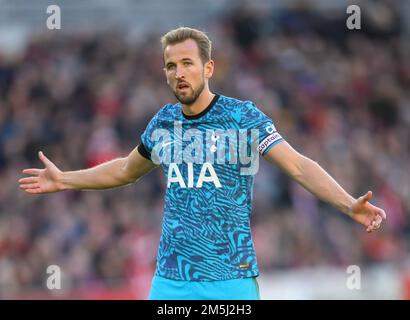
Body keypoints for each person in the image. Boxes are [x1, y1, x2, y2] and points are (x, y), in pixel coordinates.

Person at [19, 27, 387, 300]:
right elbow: (125, 170)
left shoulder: (243, 117)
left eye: (187, 64)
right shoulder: (163, 123)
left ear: (208, 67)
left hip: (230, 279)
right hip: (171, 281)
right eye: (170, 66)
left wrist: (346, 203)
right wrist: (66, 179)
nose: (178, 73)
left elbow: (298, 166)